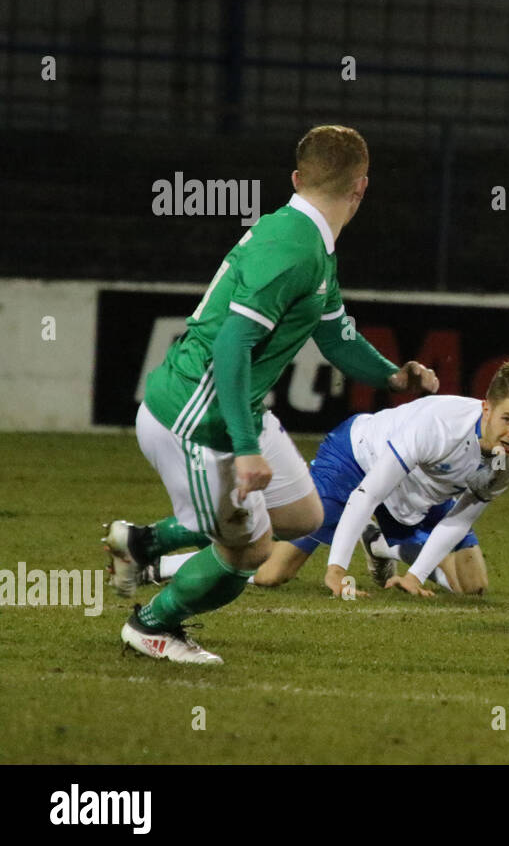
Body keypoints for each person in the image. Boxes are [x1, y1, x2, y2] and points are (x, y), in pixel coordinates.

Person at [106, 125, 438, 664]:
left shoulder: (308, 240)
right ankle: (152, 626)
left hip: (232, 408)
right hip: (197, 417)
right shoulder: (295, 249)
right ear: (362, 188)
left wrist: (393, 377)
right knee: (250, 553)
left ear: (296, 178)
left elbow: (335, 332)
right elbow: (232, 347)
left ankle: (142, 544)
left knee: (303, 517)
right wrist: (245, 446)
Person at [138, 362, 509, 597]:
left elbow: (458, 519)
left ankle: (383, 546)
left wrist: (415, 577)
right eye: (507, 419)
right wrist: (335, 568)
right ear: (486, 408)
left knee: (471, 589)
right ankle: (158, 564)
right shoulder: (437, 426)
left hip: (421, 487)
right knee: (269, 572)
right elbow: (366, 495)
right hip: (357, 460)